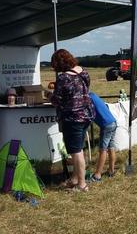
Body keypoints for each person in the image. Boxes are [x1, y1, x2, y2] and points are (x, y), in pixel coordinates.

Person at [50, 49, 95, 191]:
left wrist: (48, 95)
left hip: (73, 118)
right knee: (78, 148)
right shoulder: (84, 72)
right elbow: (85, 90)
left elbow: (57, 100)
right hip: (86, 115)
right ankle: (75, 178)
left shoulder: (63, 78)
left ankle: (82, 185)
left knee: (76, 151)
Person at [88, 92, 118, 182]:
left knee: (103, 149)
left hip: (106, 125)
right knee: (111, 147)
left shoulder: (87, 98)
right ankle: (111, 171)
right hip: (113, 122)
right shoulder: (93, 95)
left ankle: (97, 175)